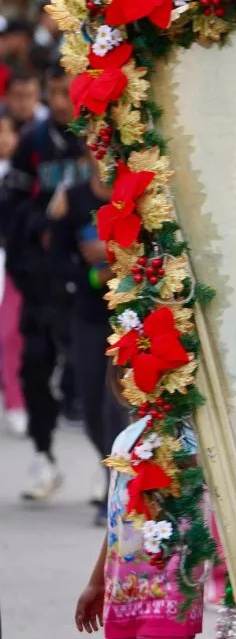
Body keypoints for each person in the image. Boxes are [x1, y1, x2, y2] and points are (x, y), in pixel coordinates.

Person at [2, 64, 88, 500]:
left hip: (90, 281)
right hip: (41, 281)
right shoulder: (33, 145)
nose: (60, 103)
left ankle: (107, 467)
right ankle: (44, 456)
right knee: (35, 366)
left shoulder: (96, 141)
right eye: (53, 93)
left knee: (90, 378)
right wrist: (39, 227)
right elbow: (11, 208)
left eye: (67, 92)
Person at [74, 388, 204, 638]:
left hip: (171, 592)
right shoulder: (127, 438)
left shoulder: (188, 440)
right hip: (125, 592)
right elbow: (118, 521)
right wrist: (98, 581)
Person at [48, 152, 127, 524]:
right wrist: (95, 276)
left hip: (125, 317)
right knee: (91, 403)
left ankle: (114, 488)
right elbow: (58, 258)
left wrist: (112, 255)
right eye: (96, 153)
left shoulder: (132, 197)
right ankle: (107, 466)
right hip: (88, 315)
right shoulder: (75, 198)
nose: (103, 160)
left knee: (116, 406)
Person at [0, 112, 25, 435]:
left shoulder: (22, 174)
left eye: (6, 131)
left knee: (9, 335)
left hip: (12, 263)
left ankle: (17, 401)